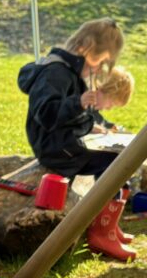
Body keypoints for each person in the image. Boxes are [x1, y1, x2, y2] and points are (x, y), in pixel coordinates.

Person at [17, 18, 137, 261]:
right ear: (88, 46)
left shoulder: (73, 70)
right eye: (101, 60)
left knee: (121, 157)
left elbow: (85, 112)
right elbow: (46, 114)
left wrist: (101, 125)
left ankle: (108, 227)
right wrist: (78, 102)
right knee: (114, 165)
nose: (100, 67)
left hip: (67, 140)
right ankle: (101, 233)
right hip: (55, 146)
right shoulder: (56, 72)